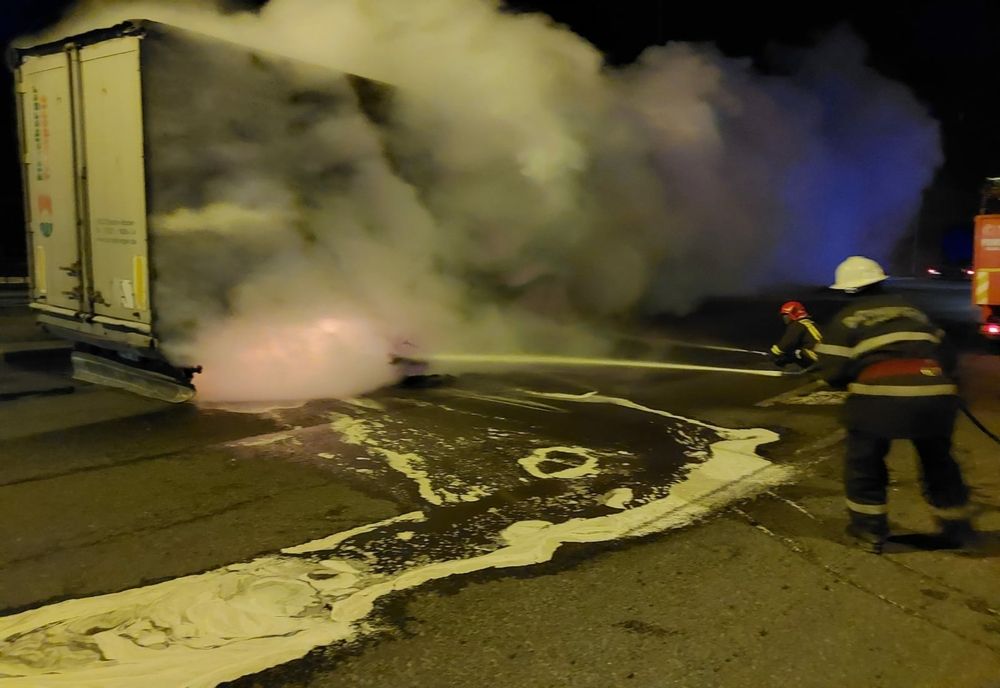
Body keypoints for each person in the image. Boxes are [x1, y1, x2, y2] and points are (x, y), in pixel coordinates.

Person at [814, 256, 975, 553]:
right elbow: (948, 358)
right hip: (936, 395)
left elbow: (832, 371)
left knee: (864, 461)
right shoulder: (914, 313)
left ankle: (868, 530)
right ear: (881, 282)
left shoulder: (847, 318)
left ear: (848, 290)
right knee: (939, 462)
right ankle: (957, 528)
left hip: (879, 398)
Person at [769, 301, 822, 369]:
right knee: (794, 351)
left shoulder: (797, 325)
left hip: (814, 357)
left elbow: (786, 343)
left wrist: (773, 354)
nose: (784, 317)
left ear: (793, 314)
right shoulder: (811, 323)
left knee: (792, 353)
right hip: (823, 355)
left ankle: (798, 370)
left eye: (786, 315)